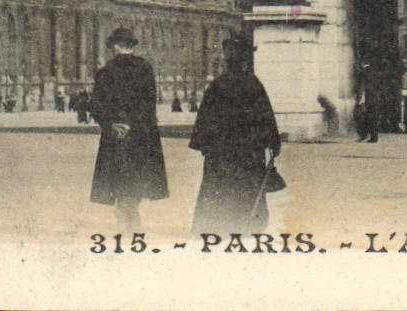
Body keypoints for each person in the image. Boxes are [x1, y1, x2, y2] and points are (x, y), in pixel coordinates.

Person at [189, 34, 281, 234]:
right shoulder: (254, 84)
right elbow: (266, 116)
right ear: (246, 60)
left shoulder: (217, 85)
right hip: (249, 151)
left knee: (219, 188)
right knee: (248, 186)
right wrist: (274, 142)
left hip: (221, 152)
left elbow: (205, 119)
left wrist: (206, 145)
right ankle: (248, 225)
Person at [90, 27, 169, 229]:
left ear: (115, 46)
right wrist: (132, 124)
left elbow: (97, 106)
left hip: (115, 135)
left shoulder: (105, 71)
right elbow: (149, 103)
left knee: (119, 179)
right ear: (132, 46)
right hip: (141, 135)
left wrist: (112, 123)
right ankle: (130, 214)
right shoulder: (145, 69)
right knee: (136, 179)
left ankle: (126, 217)